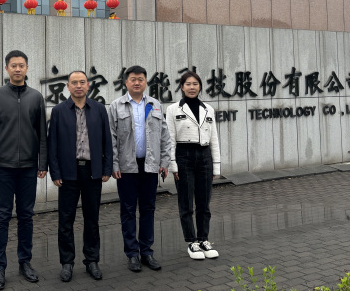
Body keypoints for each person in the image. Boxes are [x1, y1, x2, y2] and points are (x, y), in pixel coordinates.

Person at [0, 50, 48, 290]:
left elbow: (42, 134)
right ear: (7, 68)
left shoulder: (36, 97)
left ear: (27, 68)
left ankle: (25, 262)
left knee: (26, 216)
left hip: (28, 168)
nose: (18, 69)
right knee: (2, 216)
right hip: (3, 169)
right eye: (13, 65)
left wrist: (42, 163)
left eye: (21, 65)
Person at [48, 71, 113, 283]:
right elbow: (52, 144)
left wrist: (106, 168)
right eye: (74, 82)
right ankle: (67, 263)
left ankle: (92, 260)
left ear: (88, 85)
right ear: (67, 86)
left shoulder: (99, 109)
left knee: (92, 218)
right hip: (68, 172)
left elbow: (107, 141)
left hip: (92, 172)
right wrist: (55, 172)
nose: (78, 86)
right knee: (66, 220)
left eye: (82, 82)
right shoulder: (59, 111)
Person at [108, 65, 170, 272]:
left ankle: (147, 252)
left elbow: (164, 136)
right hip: (126, 167)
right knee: (127, 211)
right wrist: (114, 164)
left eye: (140, 79)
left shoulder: (154, 104)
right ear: (126, 82)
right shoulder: (116, 106)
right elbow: (111, 138)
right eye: (133, 79)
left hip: (150, 166)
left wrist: (164, 162)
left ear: (145, 82)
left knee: (148, 209)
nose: (137, 82)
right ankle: (132, 254)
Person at [166, 71, 221, 260]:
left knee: (204, 203)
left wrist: (216, 166)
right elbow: (170, 139)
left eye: (195, 84)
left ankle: (204, 239)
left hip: (204, 156)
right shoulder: (173, 109)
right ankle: (192, 242)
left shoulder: (208, 109)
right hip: (184, 156)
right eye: (188, 84)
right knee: (186, 202)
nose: (192, 87)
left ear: (200, 87)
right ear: (182, 87)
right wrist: (173, 165)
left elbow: (214, 139)